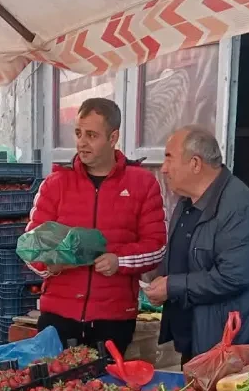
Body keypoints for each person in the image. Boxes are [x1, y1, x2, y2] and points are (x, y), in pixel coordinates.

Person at [24, 98, 166, 354]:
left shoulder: (143, 184)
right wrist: (51, 265)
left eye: (92, 135)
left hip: (113, 320)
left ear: (113, 138)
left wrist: (118, 261)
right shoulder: (55, 184)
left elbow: (156, 247)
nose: (82, 142)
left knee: (105, 380)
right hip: (58, 317)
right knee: (52, 380)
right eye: (78, 133)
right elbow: (30, 246)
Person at [145, 125, 249, 360]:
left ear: (195, 164)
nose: (164, 168)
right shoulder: (187, 203)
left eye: (169, 158)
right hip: (197, 336)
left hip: (232, 343)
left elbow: (234, 275)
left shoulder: (238, 206)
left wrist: (173, 286)